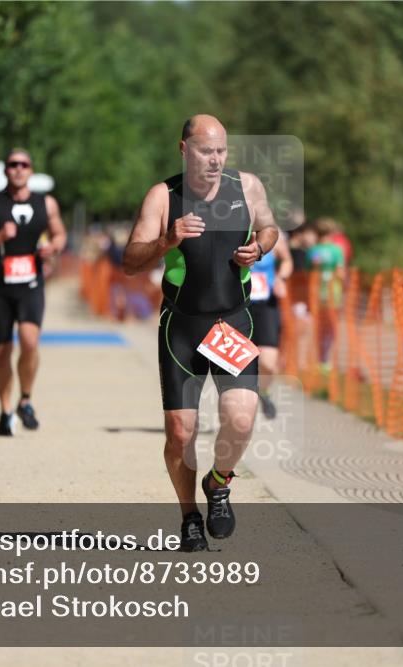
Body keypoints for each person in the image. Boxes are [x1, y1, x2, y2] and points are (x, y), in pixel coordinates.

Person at [123, 115, 280, 551]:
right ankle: (189, 516)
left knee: (242, 417)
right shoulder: (163, 196)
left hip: (230, 323)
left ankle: (219, 483)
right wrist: (165, 242)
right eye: (206, 150)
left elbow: (269, 226)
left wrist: (261, 247)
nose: (215, 159)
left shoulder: (247, 187)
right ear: (184, 149)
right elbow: (130, 261)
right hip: (182, 328)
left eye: (221, 151)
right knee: (179, 433)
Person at [0, 148, 67, 436]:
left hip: (31, 285)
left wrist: (54, 247)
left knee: (29, 342)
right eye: (13, 164)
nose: (18, 169)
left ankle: (25, 398)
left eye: (24, 164)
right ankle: (5, 410)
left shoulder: (46, 204)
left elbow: (60, 233)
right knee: (1, 353)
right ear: (5, 170)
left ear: (31, 170)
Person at [249, 232, 293, 418]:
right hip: (236, 305)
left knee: (268, 361)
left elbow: (287, 261)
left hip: (266, 304)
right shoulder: (232, 230)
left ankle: (264, 391)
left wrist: (281, 278)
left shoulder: (274, 236)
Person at [307, 217, 347, 368]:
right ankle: (326, 358)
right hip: (333, 291)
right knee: (331, 326)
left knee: (319, 326)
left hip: (316, 291)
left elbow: (308, 271)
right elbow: (341, 272)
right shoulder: (337, 250)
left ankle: (320, 356)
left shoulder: (312, 251)